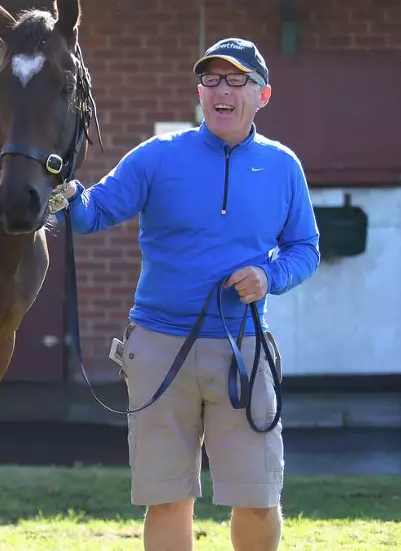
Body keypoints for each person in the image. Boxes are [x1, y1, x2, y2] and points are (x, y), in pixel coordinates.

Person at [56, 37, 320, 550]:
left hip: (243, 351)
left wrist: (269, 278)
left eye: (237, 79)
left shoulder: (284, 166)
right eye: (211, 79)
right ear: (200, 91)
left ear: (262, 95)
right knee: (169, 498)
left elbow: (305, 248)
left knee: (258, 496)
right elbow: (93, 213)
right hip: (157, 348)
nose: (222, 90)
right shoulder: (157, 157)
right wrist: (61, 192)